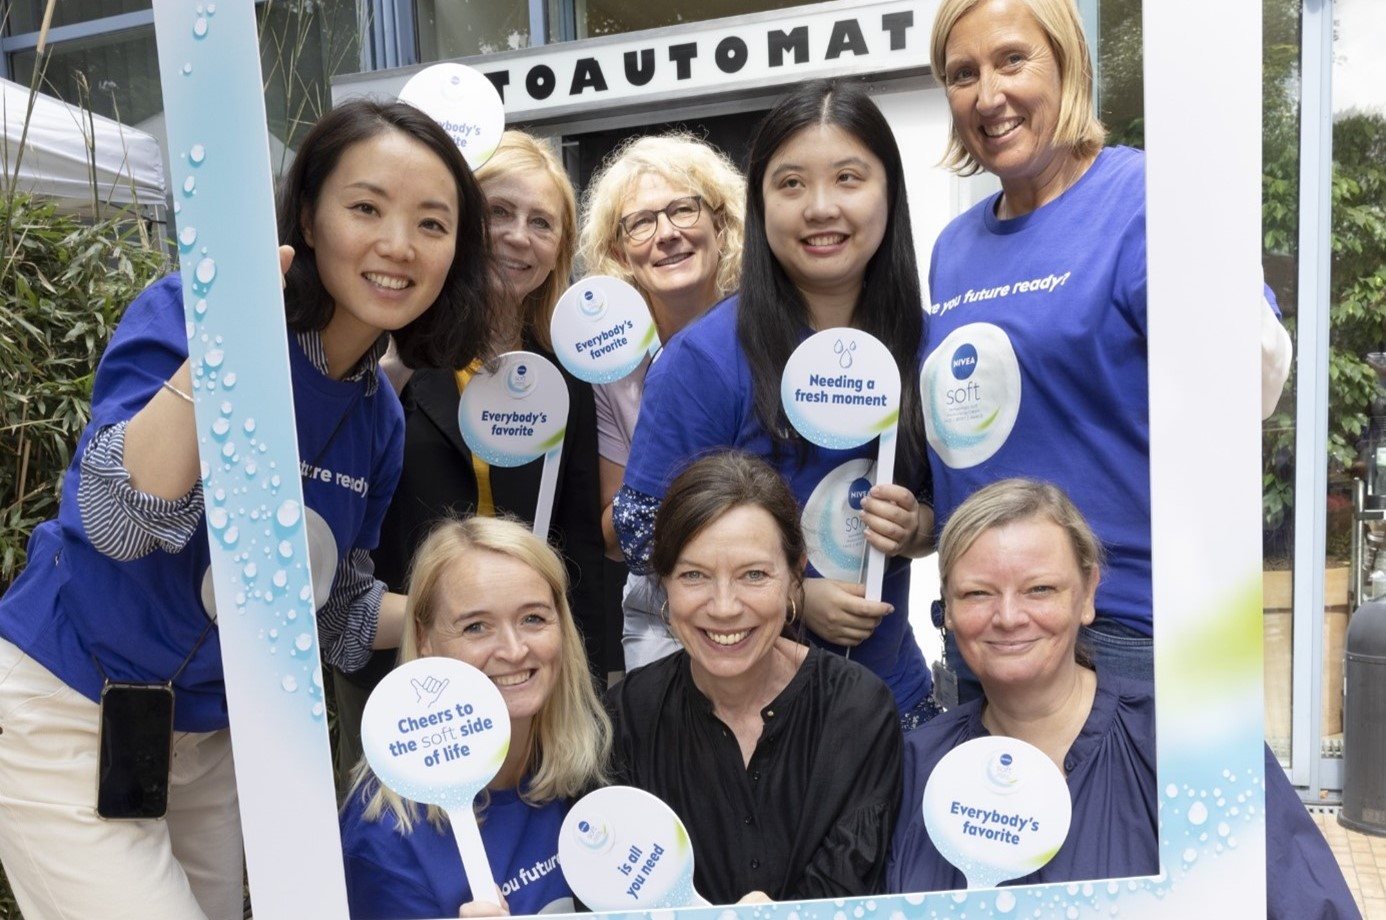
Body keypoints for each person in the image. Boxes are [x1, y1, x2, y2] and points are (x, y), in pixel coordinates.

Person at [0, 99, 493, 919]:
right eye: (366, 208)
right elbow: (120, 523)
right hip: (67, 701)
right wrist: (225, 342)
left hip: (208, 735)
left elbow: (330, 611)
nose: (399, 245)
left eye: (432, 224)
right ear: (307, 216)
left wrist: (476, 620)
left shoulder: (378, 419)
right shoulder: (190, 311)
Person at [922, 0, 1292, 700]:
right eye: (963, 73)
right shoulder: (954, 248)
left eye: (1012, 60)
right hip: (985, 633)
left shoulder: (1145, 197)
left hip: (1127, 632)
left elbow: (1254, 379)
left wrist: (1200, 241)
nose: (988, 95)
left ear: (1068, 64)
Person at [614, 80, 937, 728]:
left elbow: (958, 509)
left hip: (890, 705)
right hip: (749, 720)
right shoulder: (705, 360)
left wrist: (918, 528)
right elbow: (643, 531)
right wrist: (791, 595)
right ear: (759, 205)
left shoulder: (927, 346)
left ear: (890, 192)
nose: (821, 207)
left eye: (848, 178)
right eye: (791, 184)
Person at [885, 479, 1357, 917]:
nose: (1008, 617)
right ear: (948, 607)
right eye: (977, 593)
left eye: (1040, 589)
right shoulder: (913, 768)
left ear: (1087, 593)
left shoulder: (1191, 749)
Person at [335, 130, 607, 778]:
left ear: (560, 248)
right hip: (400, 668)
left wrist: (595, 678)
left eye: (542, 223)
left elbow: (578, 542)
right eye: (498, 213)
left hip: (526, 672)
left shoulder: (565, 375)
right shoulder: (386, 350)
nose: (518, 237)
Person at [608, 451, 903, 904]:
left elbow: (848, 891)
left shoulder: (857, 711)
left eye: (753, 575)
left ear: (795, 576)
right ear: (663, 580)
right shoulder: (626, 720)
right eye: (694, 575)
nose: (724, 607)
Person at [340, 516, 611, 919]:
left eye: (533, 618)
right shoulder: (386, 837)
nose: (514, 650)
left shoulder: (597, 764)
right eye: (476, 627)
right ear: (425, 639)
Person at [576, 131, 746, 670]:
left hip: (771, 594)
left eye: (683, 210)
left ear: (722, 225)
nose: (667, 234)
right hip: (659, 607)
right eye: (642, 222)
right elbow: (615, 535)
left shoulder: (763, 335)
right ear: (619, 251)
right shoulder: (609, 367)